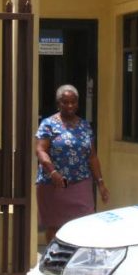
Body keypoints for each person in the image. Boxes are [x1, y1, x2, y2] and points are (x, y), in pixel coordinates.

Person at [35, 84, 110, 244]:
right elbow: (41, 150)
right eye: (65, 102)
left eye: (73, 102)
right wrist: (53, 172)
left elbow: (92, 157)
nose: (70, 106)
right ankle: (55, 261)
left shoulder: (84, 126)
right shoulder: (48, 125)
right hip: (54, 185)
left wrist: (101, 183)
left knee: (84, 223)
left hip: (81, 183)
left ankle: (78, 261)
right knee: (55, 226)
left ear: (77, 103)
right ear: (58, 103)